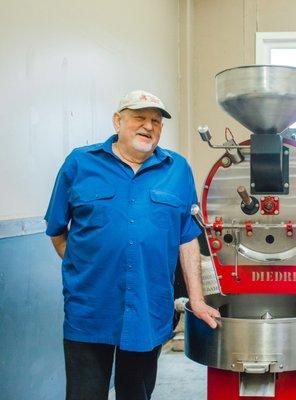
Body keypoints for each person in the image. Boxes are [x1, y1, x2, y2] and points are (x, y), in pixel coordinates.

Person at [45, 90, 220, 400]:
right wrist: (82, 268)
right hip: (90, 307)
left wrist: (197, 298)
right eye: (139, 117)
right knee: (84, 394)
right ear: (118, 120)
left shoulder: (177, 169)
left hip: (148, 308)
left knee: (136, 393)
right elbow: (57, 230)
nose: (148, 126)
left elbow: (187, 237)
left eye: (156, 121)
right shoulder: (80, 163)